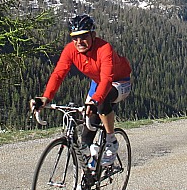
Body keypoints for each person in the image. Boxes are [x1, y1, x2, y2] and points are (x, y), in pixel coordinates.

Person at [31, 14, 132, 167]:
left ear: (93, 35)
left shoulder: (104, 49)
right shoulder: (70, 50)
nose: (79, 42)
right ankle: (88, 176)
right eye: (75, 38)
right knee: (86, 137)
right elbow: (59, 73)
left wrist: (94, 100)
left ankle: (111, 140)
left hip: (119, 82)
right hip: (98, 83)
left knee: (102, 102)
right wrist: (46, 97)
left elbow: (107, 80)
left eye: (83, 36)